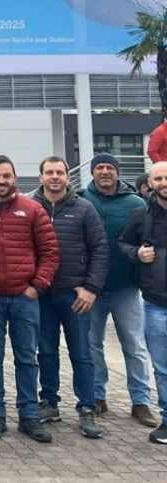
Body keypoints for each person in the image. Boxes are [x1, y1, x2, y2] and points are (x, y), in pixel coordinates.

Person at [0, 155, 59, 444]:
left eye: (6, 176)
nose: (1, 181)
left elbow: (49, 252)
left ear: (15, 177)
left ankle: (29, 416)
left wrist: (37, 287)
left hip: (25, 297)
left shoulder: (32, 209)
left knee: (26, 358)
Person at [32, 156, 108, 440]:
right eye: (49, 172)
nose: (55, 177)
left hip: (74, 295)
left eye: (60, 172)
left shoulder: (84, 208)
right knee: (46, 352)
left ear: (68, 176)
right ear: (40, 177)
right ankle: (49, 403)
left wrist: (91, 288)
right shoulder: (31, 207)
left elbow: (100, 249)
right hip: (41, 295)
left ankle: (87, 407)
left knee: (82, 354)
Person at [80, 153, 157, 427]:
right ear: (92, 172)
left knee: (134, 345)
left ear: (117, 172)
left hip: (126, 287)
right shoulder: (80, 201)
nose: (104, 172)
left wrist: (140, 278)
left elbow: (147, 242)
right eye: (99, 167)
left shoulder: (136, 204)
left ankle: (140, 402)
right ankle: (98, 397)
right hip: (91, 289)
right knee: (91, 346)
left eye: (109, 167)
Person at [119, 161, 167, 444]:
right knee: (162, 368)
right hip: (156, 305)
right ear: (150, 183)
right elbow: (122, 244)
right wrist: (137, 253)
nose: (164, 182)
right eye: (158, 178)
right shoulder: (141, 216)